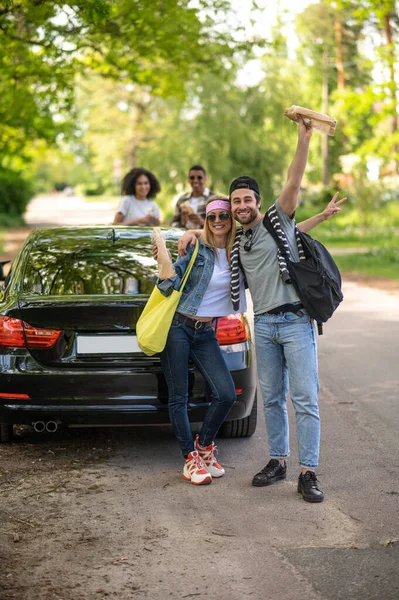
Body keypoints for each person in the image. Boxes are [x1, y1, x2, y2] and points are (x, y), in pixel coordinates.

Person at [177, 118, 347, 502]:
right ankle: (278, 462)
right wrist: (186, 233)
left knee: (304, 397)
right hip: (264, 325)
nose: (240, 206)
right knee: (270, 399)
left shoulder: (275, 218)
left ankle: (308, 472)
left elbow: (293, 181)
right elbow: (210, 239)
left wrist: (303, 140)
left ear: (257, 201)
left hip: (295, 321)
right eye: (234, 202)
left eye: (246, 200)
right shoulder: (237, 242)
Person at [157, 196, 246, 485]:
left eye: (224, 216)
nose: (218, 221)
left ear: (232, 219)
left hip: (206, 332)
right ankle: (189, 459)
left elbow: (270, 231)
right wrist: (163, 261)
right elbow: (170, 280)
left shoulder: (239, 251)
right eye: (212, 217)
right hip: (178, 328)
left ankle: (204, 446)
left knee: (226, 393)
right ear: (206, 220)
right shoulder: (197, 250)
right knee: (179, 396)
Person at [171, 165, 215, 229]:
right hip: (185, 237)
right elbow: (173, 224)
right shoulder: (182, 199)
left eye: (199, 177)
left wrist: (203, 222)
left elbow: (221, 224)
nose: (195, 180)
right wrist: (182, 223)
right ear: (188, 180)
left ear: (205, 179)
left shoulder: (214, 198)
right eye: (192, 178)